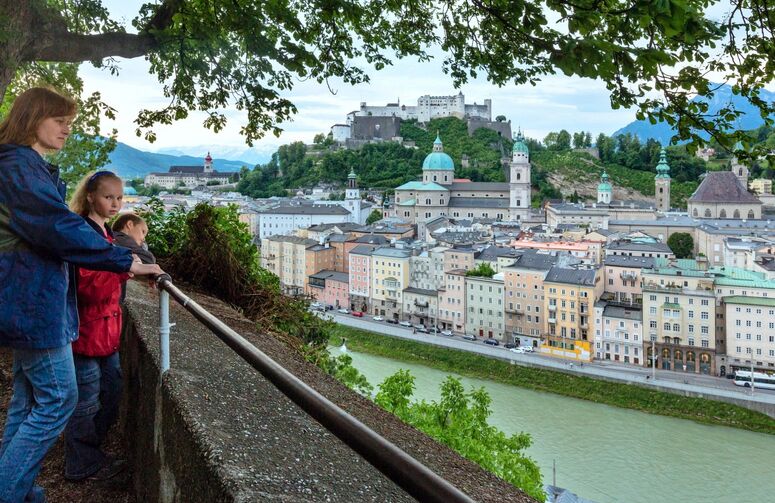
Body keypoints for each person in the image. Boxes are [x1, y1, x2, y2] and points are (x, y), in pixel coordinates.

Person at [0, 87, 163, 503]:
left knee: (27, 401)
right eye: (60, 121)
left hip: (24, 299)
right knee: (59, 399)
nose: (67, 129)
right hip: (32, 302)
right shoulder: (19, 167)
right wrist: (126, 262)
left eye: (70, 122)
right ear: (32, 118)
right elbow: (57, 228)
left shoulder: (21, 166)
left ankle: (20, 488)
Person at [63, 171, 134, 482]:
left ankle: (91, 451)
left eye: (119, 198)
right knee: (87, 401)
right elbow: (88, 289)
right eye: (108, 197)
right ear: (91, 197)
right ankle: (80, 461)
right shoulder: (85, 233)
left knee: (111, 391)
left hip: (104, 333)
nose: (115, 204)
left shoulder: (101, 232)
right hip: (88, 332)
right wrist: (124, 269)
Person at [112, 213, 156, 303]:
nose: (143, 239)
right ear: (130, 225)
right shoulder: (121, 238)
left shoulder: (113, 237)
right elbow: (148, 259)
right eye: (143, 232)